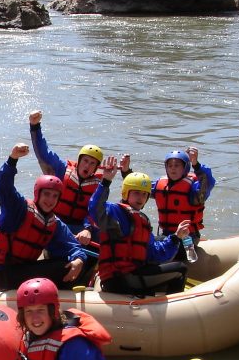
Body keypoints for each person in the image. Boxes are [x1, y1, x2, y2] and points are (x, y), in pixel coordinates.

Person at [0, 142, 91, 291]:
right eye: (46, 194)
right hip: (3, 273)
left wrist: (79, 259)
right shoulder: (18, 208)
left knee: (69, 264)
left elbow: (73, 247)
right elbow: (3, 185)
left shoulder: (54, 223)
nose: (50, 200)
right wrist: (12, 159)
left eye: (55, 196)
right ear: (37, 193)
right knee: (61, 267)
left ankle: (56, 300)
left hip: (23, 269)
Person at [88, 157, 191, 296]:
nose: (140, 198)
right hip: (121, 279)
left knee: (168, 255)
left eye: (144, 194)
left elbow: (155, 254)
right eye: (136, 193)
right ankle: (175, 311)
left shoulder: (141, 220)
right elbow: (95, 209)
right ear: (126, 193)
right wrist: (106, 181)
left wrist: (176, 238)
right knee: (180, 269)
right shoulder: (115, 212)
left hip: (130, 274)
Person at [28, 111, 104, 246]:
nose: (87, 166)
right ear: (79, 161)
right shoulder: (62, 169)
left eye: (93, 163)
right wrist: (35, 126)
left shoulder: (98, 184)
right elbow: (44, 153)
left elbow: (94, 211)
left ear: (96, 168)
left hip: (80, 228)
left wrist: (87, 229)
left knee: (101, 233)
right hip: (56, 222)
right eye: (85, 160)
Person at [151, 147, 215, 251]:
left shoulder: (194, 190)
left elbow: (207, 183)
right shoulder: (160, 185)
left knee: (173, 248)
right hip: (167, 235)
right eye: (170, 165)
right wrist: (126, 172)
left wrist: (196, 165)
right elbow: (140, 188)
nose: (173, 168)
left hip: (188, 237)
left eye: (177, 165)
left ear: (185, 168)